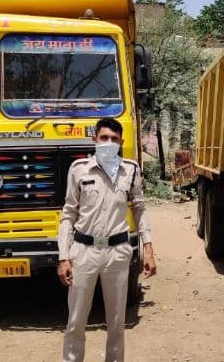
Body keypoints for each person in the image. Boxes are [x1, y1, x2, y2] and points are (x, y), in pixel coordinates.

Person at [57, 117, 156, 362]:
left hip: (117, 252)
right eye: (104, 138)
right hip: (84, 251)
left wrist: (149, 249)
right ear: (94, 139)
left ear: (121, 142)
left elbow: (139, 209)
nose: (109, 143)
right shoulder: (79, 169)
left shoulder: (130, 170)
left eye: (114, 139)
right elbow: (68, 214)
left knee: (117, 322)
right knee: (76, 321)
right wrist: (63, 257)